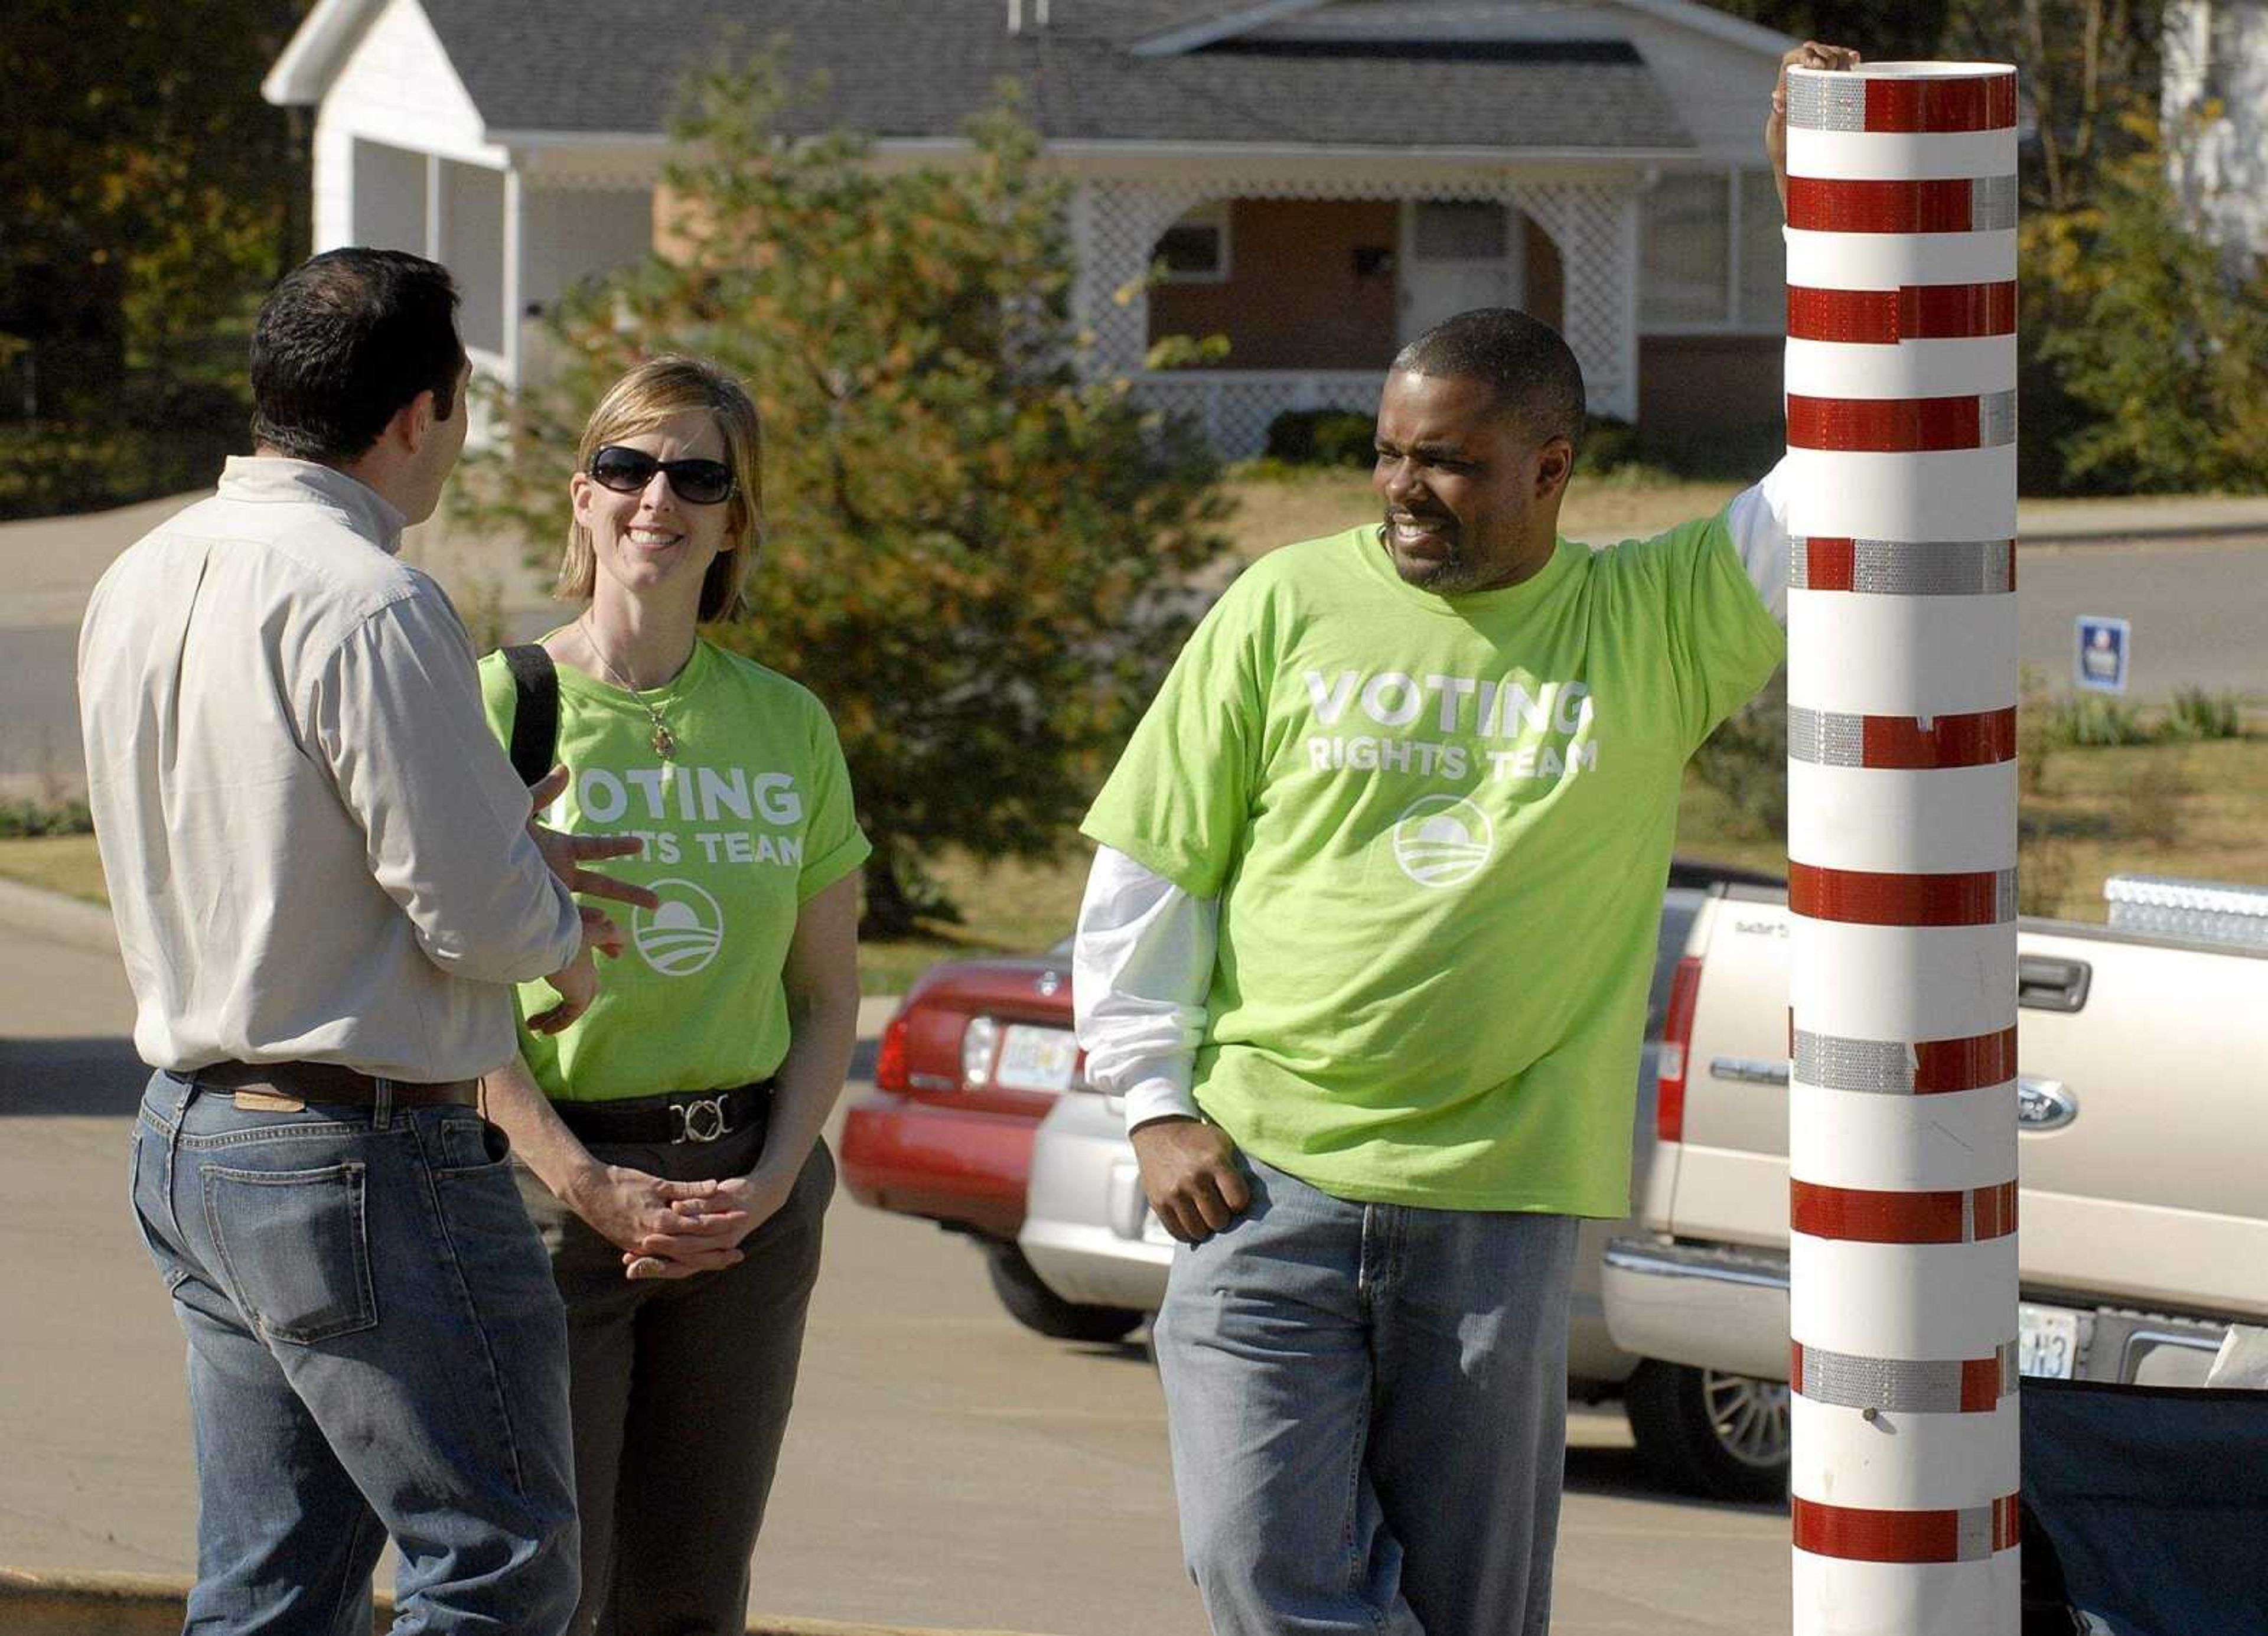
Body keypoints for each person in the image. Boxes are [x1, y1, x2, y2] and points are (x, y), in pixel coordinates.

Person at [1073, 43, 1857, 1636]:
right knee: (1253, 1559)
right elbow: (1155, 865)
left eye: (1447, 461)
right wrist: (1151, 1102)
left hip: (1499, 1212)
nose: (1402, 491)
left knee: (1474, 1607)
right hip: (1259, 1179)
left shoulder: (1652, 622)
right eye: (1388, 452)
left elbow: (1837, 476)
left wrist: (1825, 213)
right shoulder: (1287, 603)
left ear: (1553, 469)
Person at [80, 247, 655, 1633]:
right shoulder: (372, 600)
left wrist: (499, 851)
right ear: (418, 413)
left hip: (194, 1131)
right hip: (357, 1150)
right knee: (501, 1565)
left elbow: (283, 837)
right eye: (458, 405)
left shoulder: (140, 573)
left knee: (273, 1588)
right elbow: (480, 912)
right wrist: (550, 910)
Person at [472, 355, 868, 1636]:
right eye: (630, 468)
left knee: (694, 1595)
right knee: (548, 1590)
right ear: (581, 498)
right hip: (548, 1193)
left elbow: (824, 997)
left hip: (745, 1198)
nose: (662, 498)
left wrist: (767, 1178)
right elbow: (445, 993)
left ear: (735, 517)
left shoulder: (789, 723)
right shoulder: (501, 701)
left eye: (700, 474)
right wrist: (584, 1179)